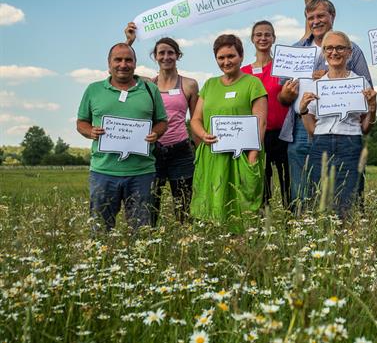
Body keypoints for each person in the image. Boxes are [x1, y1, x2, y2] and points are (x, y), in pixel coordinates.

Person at [278, 0, 372, 211]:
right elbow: (282, 97)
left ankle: (347, 227)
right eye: (311, 17)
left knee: (346, 185)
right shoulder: (296, 50)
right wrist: (289, 93)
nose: (316, 21)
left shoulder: (352, 49)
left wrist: (332, 79)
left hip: (342, 129)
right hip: (301, 126)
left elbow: (364, 89)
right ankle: (305, 230)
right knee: (303, 186)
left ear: (333, 16)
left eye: (321, 16)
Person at [76, 43, 168, 232]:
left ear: (135, 63)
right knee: (100, 230)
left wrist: (156, 133)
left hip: (142, 172)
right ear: (109, 64)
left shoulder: (150, 90)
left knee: (142, 231)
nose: (123, 64)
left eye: (128, 60)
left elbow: (162, 121)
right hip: (103, 172)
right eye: (118, 60)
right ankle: (100, 261)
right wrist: (90, 131)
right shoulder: (93, 90)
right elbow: (81, 123)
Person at [190, 34, 268, 232]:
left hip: (242, 156)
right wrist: (202, 134)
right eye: (221, 58)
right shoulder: (209, 85)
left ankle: (243, 246)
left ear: (241, 56)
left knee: (243, 205)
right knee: (214, 203)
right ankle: (216, 243)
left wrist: (252, 156)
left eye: (231, 56)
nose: (226, 62)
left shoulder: (253, 84)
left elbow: (261, 122)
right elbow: (196, 119)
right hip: (213, 155)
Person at [125, 22, 199, 226]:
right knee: (151, 203)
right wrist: (129, 42)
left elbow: (195, 119)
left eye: (170, 53)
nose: (166, 57)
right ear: (155, 57)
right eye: (161, 53)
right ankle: (150, 243)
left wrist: (199, 151)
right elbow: (122, 70)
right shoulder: (148, 83)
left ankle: (186, 245)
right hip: (153, 150)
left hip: (181, 151)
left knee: (183, 205)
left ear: (178, 55)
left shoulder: (189, 84)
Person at [298, 31, 377, 219]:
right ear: (324, 53)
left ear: (349, 53)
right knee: (320, 198)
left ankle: (348, 241)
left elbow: (366, 127)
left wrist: (373, 107)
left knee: (350, 199)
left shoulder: (360, 82)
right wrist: (302, 109)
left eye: (340, 47)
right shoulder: (315, 85)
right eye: (329, 48)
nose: (335, 52)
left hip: (351, 143)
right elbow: (311, 129)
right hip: (321, 145)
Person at [241, 20, 291, 209]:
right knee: (262, 181)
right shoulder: (243, 72)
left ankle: (290, 218)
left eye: (267, 34)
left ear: (274, 38)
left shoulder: (283, 67)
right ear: (252, 39)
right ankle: (263, 220)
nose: (263, 38)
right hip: (257, 136)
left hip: (283, 134)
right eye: (259, 34)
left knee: (287, 179)